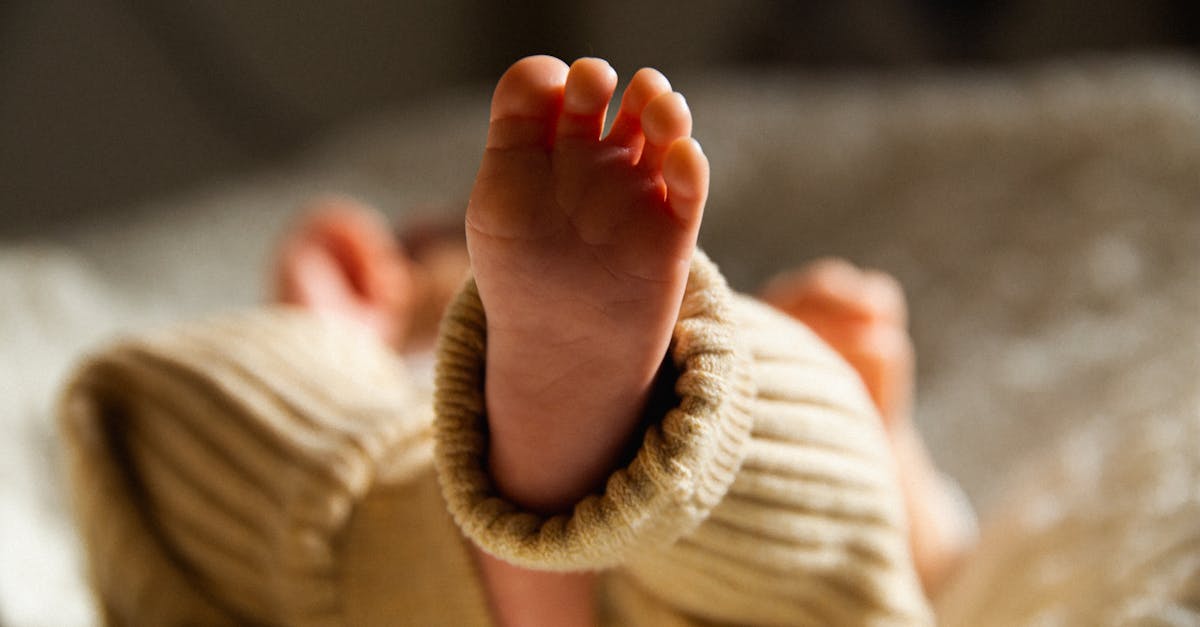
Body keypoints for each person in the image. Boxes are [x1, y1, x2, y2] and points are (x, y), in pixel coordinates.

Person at [61, 56, 972, 626]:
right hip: (482, 542)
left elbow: (929, 564)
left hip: (656, 578)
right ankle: (606, 441)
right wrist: (864, 428)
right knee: (798, 473)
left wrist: (879, 430)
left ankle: (601, 448)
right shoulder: (349, 350)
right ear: (357, 270)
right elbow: (917, 572)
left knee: (770, 449)